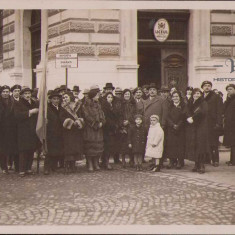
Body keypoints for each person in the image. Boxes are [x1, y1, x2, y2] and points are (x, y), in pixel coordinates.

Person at [14, 87, 40, 177]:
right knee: (23, 150)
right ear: (21, 95)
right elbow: (17, 116)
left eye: (29, 93)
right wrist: (30, 112)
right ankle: (22, 169)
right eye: (25, 94)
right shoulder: (18, 104)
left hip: (33, 129)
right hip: (23, 130)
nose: (27, 95)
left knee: (31, 149)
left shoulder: (34, 103)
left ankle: (28, 168)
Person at [185, 88, 210, 174]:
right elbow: (187, 111)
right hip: (193, 127)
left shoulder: (203, 103)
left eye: (198, 93)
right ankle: (196, 164)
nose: (196, 95)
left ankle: (202, 165)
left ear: (201, 94)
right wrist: (188, 117)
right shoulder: (191, 103)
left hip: (201, 126)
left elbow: (203, 112)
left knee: (201, 145)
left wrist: (193, 118)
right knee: (194, 145)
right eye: (195, 94)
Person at [60, 91, 84, 174]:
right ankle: (67, 165)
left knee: (75, 147)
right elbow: (61, 117)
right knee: (68, 148)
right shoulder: (63, 107)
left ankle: (73, 165)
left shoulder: (77, 106)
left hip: (76, 130)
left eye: (66, 97)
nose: (65, 99)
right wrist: (70, 122)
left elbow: (81, 115)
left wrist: (79, 121)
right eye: (64, 97)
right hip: (68, 130)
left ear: (71, 97)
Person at [82, 86, 106, 172]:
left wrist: (102, 122)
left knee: (98, 146)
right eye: (96, 95)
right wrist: (95, 124)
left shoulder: (99, 105)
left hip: (99, 129)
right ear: (92, 96)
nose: (98, 97)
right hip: (90, 129)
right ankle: (90, 164)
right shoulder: (85, 105)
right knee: (90, 146)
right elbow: (86, 117)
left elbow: (102, 115)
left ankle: (96, 163)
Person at [201, 81, 223, 167]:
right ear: (202, 87)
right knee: (205, 142)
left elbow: (219, 111)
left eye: (209, 86)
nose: (207, 87)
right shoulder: (200, 96)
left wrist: (219, 123)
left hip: (213, 123)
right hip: (203, 123)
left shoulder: (216, 96)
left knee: (214, 143)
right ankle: (207, 159)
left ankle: (215, 160)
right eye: (205, 86)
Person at [44, 90, 64, 175]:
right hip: (50, 132)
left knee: (57, 149)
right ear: (51, 100)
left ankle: (54, 166)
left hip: (59, 131)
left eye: (57, 99)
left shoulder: (61, 108)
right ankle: (47, 168)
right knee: (49, 151)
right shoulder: (47, 109)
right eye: (54, 99)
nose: (56, 100)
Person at [166, 91, 186, 169]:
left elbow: (184, 117)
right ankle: (172, 161)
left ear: (180, 97)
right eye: (173, 96)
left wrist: (178, 125)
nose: (175, 98)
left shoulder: (184, 106)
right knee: (171, 145)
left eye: (177, 96)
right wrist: (172, 125)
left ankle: (180, 161)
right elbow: (167, 117)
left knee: (180, 145)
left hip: (181, 129)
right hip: (171, 128)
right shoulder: (169, 106)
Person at [101, 92, 120, 169]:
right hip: (106, 128)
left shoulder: (113, 106)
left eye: (111, 97)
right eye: (108, 97)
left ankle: (106, 161)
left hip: (113, 129)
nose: (110, 99)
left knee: (110, 145)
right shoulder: (104, 106)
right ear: (106, 98)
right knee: (107, 145)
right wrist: (112, 124)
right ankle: (105, 162)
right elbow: (105, 118)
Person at [119, 89, 136, 168]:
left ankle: (131, 160)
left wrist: (129, 121)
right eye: (125, 94)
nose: (127, 96)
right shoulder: (120, 104)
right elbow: (118, 115)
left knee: (131, 143)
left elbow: (135, 115)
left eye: (128, 94)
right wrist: (122, 122)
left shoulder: (133, 104)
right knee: (123, 144)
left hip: (131, 126)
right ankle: (123, 160)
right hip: (122, 126)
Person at [0, 85, 14, 174]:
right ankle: (3, 166)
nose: (5, 93)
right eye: (4, 92)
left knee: (7, 147)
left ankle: (8, 164)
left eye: (7, 92)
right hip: (1, 128)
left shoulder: (12, 102)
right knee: (2, 148)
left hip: (9, 128)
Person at [8, 84, 21, 172]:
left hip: (20, 127)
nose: (17, 93)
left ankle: (18, 166)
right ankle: (9, 163)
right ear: (12, 92)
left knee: (19, 146)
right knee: (11, 146)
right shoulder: (9, 101)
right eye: (15, 91)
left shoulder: (22, 101)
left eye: (18, 91)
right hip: (11, 127)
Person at [223, 84, 235, 166]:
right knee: (232, 143)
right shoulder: (229, 99)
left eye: (230, 89)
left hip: (233, 124)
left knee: (233, 143)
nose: (229, 91)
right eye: (227, 89)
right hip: (230, 124)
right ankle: (232, 160)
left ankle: (233, 161)